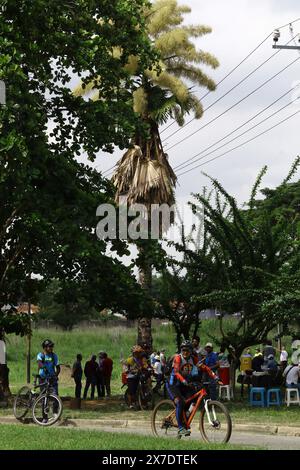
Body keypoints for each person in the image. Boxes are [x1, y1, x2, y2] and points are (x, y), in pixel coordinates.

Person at [167, 340, 219, 438]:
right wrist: (183, 380)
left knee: (193, 397)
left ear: (191, 351)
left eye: (187, 350)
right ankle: (181, 428)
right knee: (180, 402)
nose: (185, 352)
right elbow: (177, 372)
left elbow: (205, 368)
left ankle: (185, 416)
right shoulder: (178, 358)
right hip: (173, 384)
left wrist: (215, 377)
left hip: (184, 384)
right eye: (183, 350)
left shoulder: (193, 359)